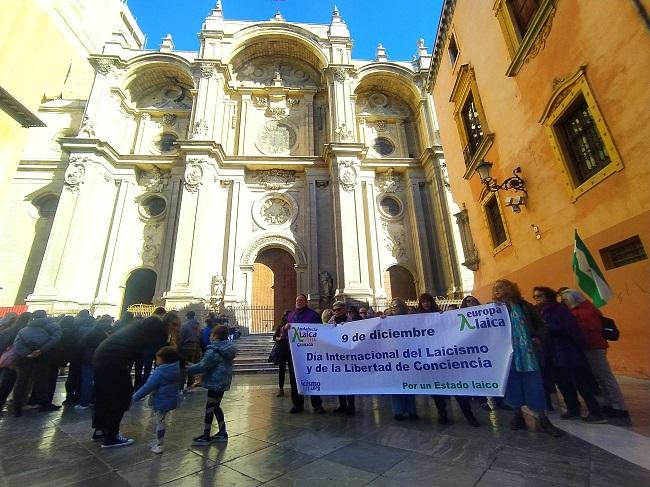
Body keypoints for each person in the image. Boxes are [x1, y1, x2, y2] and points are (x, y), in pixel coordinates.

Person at [493, 280, 562, 436]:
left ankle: (543, 418)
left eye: (501, 288)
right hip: (508, 355)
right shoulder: (493, 309)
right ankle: (517, 415)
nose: (497, 290)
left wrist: (537, 337)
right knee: (513, 385)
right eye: (495, 288)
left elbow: (541, 325)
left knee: (534, 385)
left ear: (510, 289)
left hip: (528, 353)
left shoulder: (525, 306)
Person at [92, 314, 169, 448]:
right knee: (121, 397)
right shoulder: (152, 332)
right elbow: (162, 352)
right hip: (114, 362)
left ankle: (100, 430)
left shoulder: (135, 329)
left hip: (101, 358)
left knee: (104, 396)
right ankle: (111, 436)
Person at [533, 286, 605, 423]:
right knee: (563, 383)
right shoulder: (539, 311)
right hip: (552, 352)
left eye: (539, 296)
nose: (536, 299)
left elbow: (569, 329)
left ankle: (595, 411)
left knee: (579, 382)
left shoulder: (559, 309)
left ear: (548, 296)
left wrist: (547, 328)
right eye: (535, 296)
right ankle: (573, 408)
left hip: (567, 351)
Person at [560, 288, 629, 418]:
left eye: (565, 300)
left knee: (605, 376)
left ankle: (619, 406)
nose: (564, 302)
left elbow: (590, 330)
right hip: (592, 346)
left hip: (593, 346)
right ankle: (609, 403)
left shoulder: (583, 312)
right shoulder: (583, 309)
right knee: (599, 376)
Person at [418, 293, 480, 426]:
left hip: (447, 356)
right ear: (420, 304)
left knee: (458, 388)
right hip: (431, 359)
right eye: (423, 302)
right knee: (437, 391)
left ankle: (469, 415)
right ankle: (442, 415)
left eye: (428, 301)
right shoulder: (416, 319)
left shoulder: (442, 315)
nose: (426, 304)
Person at [188, 325, 237, 445]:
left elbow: (203, 365)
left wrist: (188, 368)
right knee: (216, 406)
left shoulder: (213, 350)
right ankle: (222, 432)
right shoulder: (228, 348)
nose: (209, 337)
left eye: (211, 335)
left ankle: (206, 435)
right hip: (223, 381)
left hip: (215, 382)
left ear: (215, 336)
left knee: (210, 408)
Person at [12, 310, 62, 416]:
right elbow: (55, 339)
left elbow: (17, 344)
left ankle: (17, 406)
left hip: (25, 359)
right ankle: (44, 404)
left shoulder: (24, 329)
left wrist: (28, 354)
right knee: (42, 381)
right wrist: (40, 350)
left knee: (21, 382)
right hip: (43, 358)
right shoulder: (54, 326)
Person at [132, 346, 181, 454]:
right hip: (171, 400)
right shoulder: (176, 368)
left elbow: (148, 386)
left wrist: (135, 397)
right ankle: (159, 442)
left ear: (163, 359)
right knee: (162, 421)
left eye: (157, 358)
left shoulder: (160, 372)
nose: (156, 360)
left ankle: (159, 445)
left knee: (160, 423)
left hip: (161, 401)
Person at [284, 294, 326, 414]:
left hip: (310, 353)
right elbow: (282, 329)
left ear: (305, 302)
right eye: (297, 300)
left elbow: (319, 330)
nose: (298, 302)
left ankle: (317, 404)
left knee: (313, 377)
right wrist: (285, 328)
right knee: (294, 379)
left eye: (301, 300)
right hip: (294, 354)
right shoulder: (290, 315)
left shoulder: (313, 315)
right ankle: (297, 404)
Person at [389, 298, 418, 420]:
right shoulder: (387, 320)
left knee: (409, 385)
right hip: (394, 357)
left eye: (396, 305)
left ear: (402, 306)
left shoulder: (411, 319)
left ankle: (412, 411)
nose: (394, 307)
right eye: (392, 306)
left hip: (409, 357)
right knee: (396, 385)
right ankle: (398, 411)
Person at [75, 317, 113, 410]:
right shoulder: (112, 331)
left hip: (89, 357)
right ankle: (94, 400)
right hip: (104, 358)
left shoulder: (93, 330)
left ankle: (84, 403)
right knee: (99, 379)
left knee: (87, 380)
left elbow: (82, 344)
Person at [0, 312, 31, 412]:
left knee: (5, 383)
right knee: (20, 383)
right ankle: (17, 406)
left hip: (4, 359)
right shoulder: (26, 332)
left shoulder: (7, 330)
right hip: (19, 360)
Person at [329, 301, 356, 415]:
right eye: (334, 310)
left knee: (349, 382)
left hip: (348, 356)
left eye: (338, 309)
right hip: (337, 356)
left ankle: (351, 406)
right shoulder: (331, 322)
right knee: (340, 382)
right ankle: (342, 405)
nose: (336, 312)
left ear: (344, 310)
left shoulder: (351, 322)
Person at [178, 311, 202, 392]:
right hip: (196, 348)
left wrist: (178, 348)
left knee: (183, 368)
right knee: (192, 367)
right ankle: (190, 386)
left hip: (186, 349)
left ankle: (180, 387)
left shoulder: (184, 326)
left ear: (187, 316)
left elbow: (181, 338)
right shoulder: (198, 326)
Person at [273, 311, 291, 397]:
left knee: (292, 371)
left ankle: (295, 388)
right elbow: (274, 337)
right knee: (281, 370)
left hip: (291, 351)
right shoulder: (280, 327)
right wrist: (280, 338)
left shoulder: (293, 326)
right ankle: (281, 389)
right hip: (282, 350)